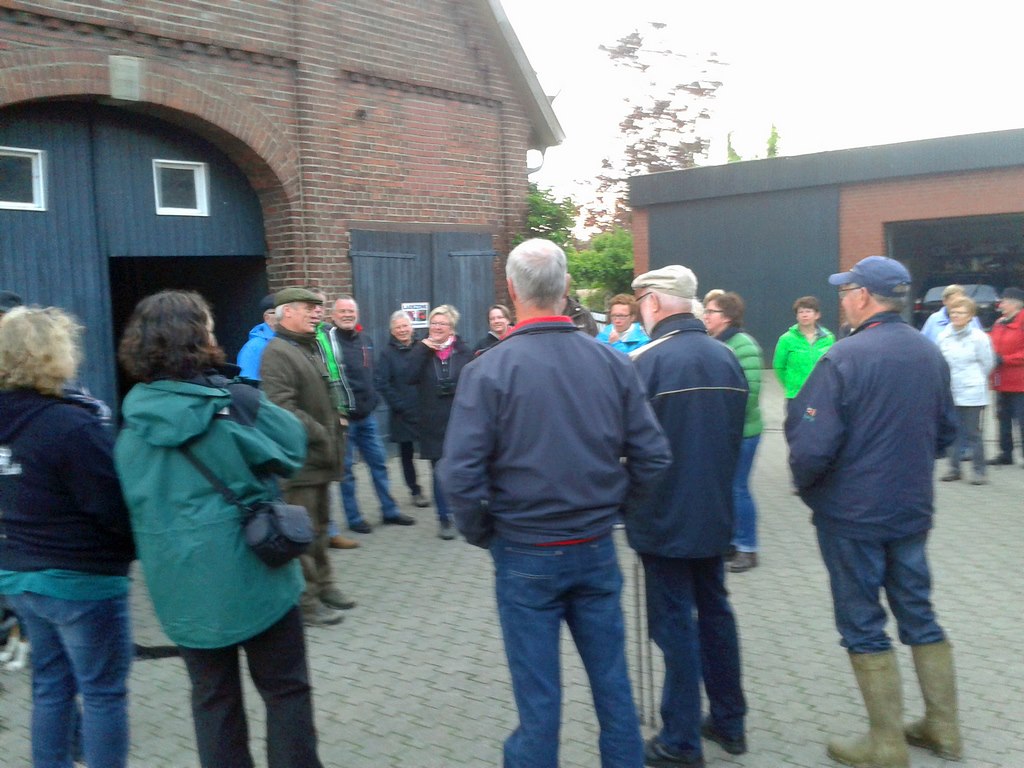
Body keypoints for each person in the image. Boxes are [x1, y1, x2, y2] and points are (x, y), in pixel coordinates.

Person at [438, 238, 671, 768]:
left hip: (524, 552)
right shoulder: (613, 364)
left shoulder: (487, 371)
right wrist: (617, 510)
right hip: (593, 547)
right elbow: (653, 458)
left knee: (538, 700)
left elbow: (460, 476)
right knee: (614, 686)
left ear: (513, 292)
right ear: (566, 290)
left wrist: (485, 533)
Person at [115, 289, 327, 768]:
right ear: (199, 338)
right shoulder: (230, 403)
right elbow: (293, 446)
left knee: (212, 701)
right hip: (256, 575)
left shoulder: (130, 428)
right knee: (286, 690)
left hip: (181, 589)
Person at [786, 256, 961, 767]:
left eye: (846, 291)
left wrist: (808, 486)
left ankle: (886, 744)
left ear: (863, 297)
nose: (841, 298)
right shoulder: (929, 353)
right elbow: (947, 433)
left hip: (852, 515)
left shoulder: (843, 358)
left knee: (862, 621)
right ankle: (944, 730)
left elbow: (812, 449)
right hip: (910, 508)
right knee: (918, 611)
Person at [0, 306, 135, 768]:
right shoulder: (70, 425)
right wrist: (129, 550)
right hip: (81, 581)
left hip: (19, 576)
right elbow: (112, 505)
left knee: (51, 686)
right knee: (102, 694)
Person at [627, 266, 749, 767]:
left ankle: (680, 739)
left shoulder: (643, 363)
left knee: (674, 624)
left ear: (654, 302)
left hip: (663, 516)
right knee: (716, 614)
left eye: (641, 301)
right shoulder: (729, 359)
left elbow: (626, 448)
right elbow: (736, 438)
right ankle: (729, 720)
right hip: (715, 512)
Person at [260, 287, 353, 626]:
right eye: (308, 308)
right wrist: (320, 432)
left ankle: (325, 585)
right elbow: (279, 407)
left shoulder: (309, 346)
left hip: (320, 461)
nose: (317, 313)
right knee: (301, 533)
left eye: (318, 308)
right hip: (299, 462)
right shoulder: (277, 352)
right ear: (286, 313)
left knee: (319, 529)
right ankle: (306, 601)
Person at [329, 296, 416, 532]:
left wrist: (374, 398)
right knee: (347, 473)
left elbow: (371, 374)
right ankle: (354, 519)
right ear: (333, 316)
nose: (347, 315)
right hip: (344, 420)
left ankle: (389, 511)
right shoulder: (330, 343)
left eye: (351, 311)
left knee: (379, 464)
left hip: (367, 417)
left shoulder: (365, 339)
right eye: (343, 311)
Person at [702, 291, 764, 574]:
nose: (705, 316)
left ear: (726, 317)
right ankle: (730, 542)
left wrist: (720, 420)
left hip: (743, 432)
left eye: (710, 311)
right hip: (723, 431)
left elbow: (748, 394)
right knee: (726, 488)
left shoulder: (743, 346)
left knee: (738, 488)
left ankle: (748, 548)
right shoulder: (716, 343)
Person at [407, 304, 473, 539]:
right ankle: (444, 519)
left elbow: (472, 382)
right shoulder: (421, 350)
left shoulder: (463, 351)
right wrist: (421, 350)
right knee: (438, 472)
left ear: (451, 327)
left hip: (459, 421)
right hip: (432, 423)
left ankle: (462, 514)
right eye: (433, 323)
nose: (436, 327)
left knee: (460, 471)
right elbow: (408, 377)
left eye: (441, 323)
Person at [936, 295, 995, 484]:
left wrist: (975, 380)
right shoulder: (943, 336)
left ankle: (979, 471)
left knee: (972, 433)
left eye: (961, 313)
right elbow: (940, 362)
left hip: (972, 392)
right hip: (950, 390)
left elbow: (988, 363)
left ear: (970, 316)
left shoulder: (979, 338)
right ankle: (954, 469)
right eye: (953, 312)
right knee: (952, 430)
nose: (956, 316)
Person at [376, 310, 429, 507]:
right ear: (392, 330)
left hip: (425, 410)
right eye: (398, 327)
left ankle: (441, 490)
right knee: (406, 454)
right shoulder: (387, 354)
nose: (402, 330)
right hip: (402, 413)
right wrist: (399, 405)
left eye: (405, 326)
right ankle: (415, 490)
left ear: (412, 327)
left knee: (434, 453)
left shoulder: (423, 348)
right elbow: (381, 382)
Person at [987, 286, 1024, 467]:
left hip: (1020, 382)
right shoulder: (999, 322)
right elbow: (991, 344)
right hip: (1001, 380)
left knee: (1022, 420)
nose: (1000, 305)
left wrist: (1004, 359)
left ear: (1014, 304)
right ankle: (1005, 453)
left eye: (1003, 301)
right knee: (1002, 418)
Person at [772, 296, 835, 401]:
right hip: (796, 395)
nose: (804, 315)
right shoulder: (786, 339)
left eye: (808, 311)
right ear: (797, 316)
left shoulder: (829, 338)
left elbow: (832, 365)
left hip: (821, 394)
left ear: (817, 315)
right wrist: (790, 385)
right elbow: (779, 366)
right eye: (801, 312)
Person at [237, 293, 277, 382]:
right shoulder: (253, 347)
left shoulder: (293, 342)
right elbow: (248, 385)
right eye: (280, 313)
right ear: (267, 318)